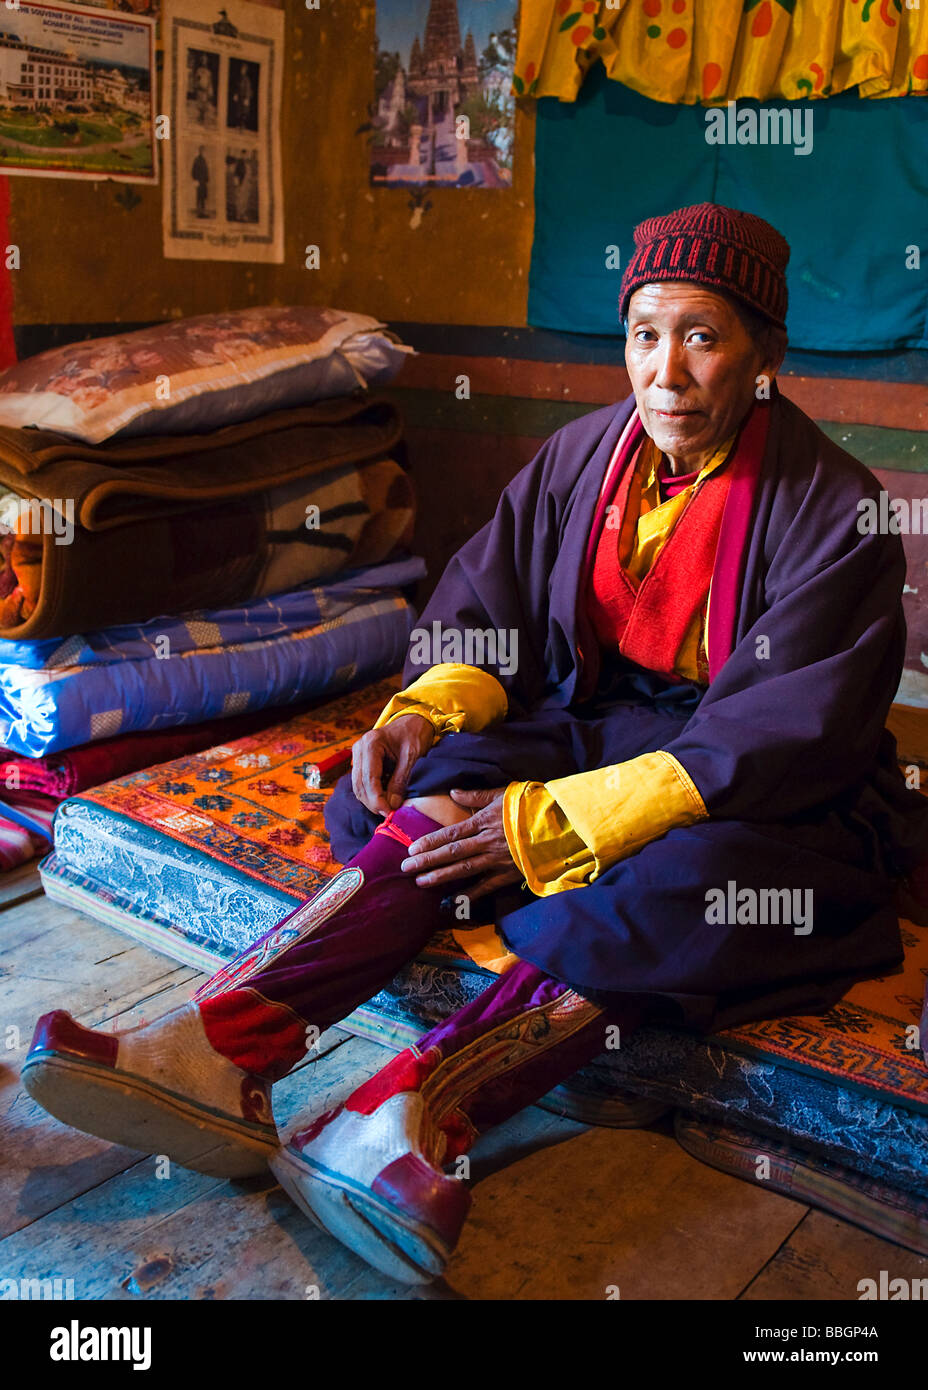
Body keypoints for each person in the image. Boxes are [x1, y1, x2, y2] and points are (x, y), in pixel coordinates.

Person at [23, 204, 928, 1288]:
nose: (665, 373)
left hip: (745, 775)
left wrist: (555, 827)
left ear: (765, 355)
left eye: (702, 336)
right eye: (644, 332)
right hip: (593, 722)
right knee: (418, 788)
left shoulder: (836, 507)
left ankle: (409, 1111)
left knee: (691, 885)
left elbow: (787, 730)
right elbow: (487, 612)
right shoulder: (579, 458)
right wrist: (426, 710)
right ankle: (224, 1043)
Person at [191, 146, 209, 218]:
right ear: (199, 151)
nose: (203, 152)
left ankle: (203, 212)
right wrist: (195, 180)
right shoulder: (196, 160)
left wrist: (207, 179)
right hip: (199, 181)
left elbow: (206, 171)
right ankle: (199, 212)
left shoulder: (204, 160)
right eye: (201, 150)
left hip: (204, 182)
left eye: (203, 151)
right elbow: (193, 171)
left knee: (203, 197)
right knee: (199, 197)